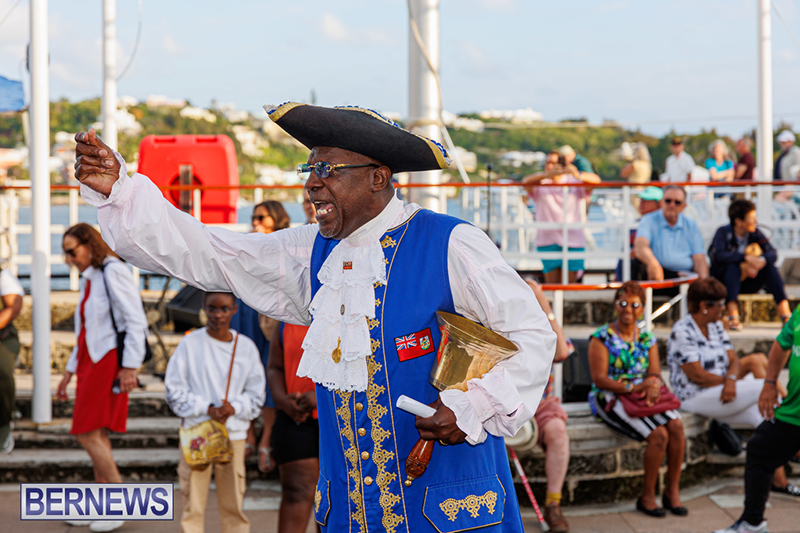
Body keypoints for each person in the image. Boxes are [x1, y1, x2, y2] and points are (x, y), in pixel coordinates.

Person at [73, 102, 557, 533]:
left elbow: (533, 335)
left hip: (446, 509)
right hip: (350, 512)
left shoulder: (451, 242)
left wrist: (473, 405)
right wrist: (122, 193)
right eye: (310, 167)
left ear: (378, 178)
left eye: (328, 169)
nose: (311, 183)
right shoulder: (312, 251)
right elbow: (212, 252)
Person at [56, 223, 149, 533]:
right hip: (89, 361)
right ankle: (101, 504)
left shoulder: (112, 271)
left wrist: (130, 367)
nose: (69, 259)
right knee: (96, 434)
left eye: (72, 251)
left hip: (106, 361)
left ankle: (119, 502)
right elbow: (84, 331)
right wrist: (69, 372)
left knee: (87, 433)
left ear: (89, 245)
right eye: (66, 253)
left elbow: (135, 321)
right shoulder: (92, 277)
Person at [667, 278, 797, 497]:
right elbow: (697, 375)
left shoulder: (715, 325)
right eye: (719, 304)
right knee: (763, 387)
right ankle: (793, 418)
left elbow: (734, 359)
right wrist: (729, 381)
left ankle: (780, 482)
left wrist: (731, 379)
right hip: (694, 396)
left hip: (722, 389)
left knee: (765, 418)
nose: (724, 308)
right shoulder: (682, 330)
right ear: (703, 306)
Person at [165, 291, 266, 533]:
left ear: (234, 310)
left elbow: (257, 393)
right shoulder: (190, 343)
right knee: (193, 501)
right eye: (212, 309)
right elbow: (173, 390)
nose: (217, 315)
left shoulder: (246, 347)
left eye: (223, 309)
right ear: (203, 308)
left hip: (233, 434)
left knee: (234, 502)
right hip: (196, 432)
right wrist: (206, 408)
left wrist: (235, 407)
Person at [588, 281, 686, 518]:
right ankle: (647, 496)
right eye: (623, 304)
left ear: (642, 308)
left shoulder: (647, 339)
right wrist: (634, 386)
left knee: (676, 426)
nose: (628, 310)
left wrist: (652, 386)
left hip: (641, 394)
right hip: (610, 396)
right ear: (615, 306)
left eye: (634, 305)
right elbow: (600, 379)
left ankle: (672, 491)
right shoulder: (601, 337)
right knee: (659, 435)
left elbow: (654, 373)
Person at [713, 307, 800, 533]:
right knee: (761, 448)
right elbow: (781, 344)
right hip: (794, 410)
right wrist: (769, 383)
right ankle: (753, 523)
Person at [231, 199, 290, 473]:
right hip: (245, 311)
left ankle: (265, 437)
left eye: (262, 217)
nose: (256, 222)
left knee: (269, 371)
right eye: (254, 217)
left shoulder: (286, 243)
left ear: (276, 219)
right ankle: (249, 434)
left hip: (270, 315)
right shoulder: (248, 242)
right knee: (243, 368)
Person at [525, 279, 571, 533]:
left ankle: (553, 503)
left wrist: (543, 302)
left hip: (541, 404)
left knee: (558, 433)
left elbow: (562, 352)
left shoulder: (544, 325)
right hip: (505, 401)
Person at [267, 320, 319, 533]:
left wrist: (320, 397)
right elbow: (275, 367)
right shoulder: (285, 322)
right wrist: (282, 400)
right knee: (296, 492)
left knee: (334, 498)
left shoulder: (349, 316)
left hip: (337, 422)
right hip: (295, 418)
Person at [709, 199, 790, 331]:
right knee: (733, 267)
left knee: (770, 268)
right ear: (738, 221)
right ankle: (733, 315)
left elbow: (772, 253)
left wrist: (761, 261)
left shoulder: (755, 233)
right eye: (752, 218)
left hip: (750, 280)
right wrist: (745, 258)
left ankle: (785, 314)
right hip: (726, 283)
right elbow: (720, 256)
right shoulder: (723, 233)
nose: (755, 221)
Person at [522, 151, 601, 283]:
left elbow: (596, 181)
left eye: (554, 163)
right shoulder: (541, 183)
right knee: (552, 286)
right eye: (547, 162)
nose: (550, 166)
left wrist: (577, 173)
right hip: (547, 239)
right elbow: (525, 182)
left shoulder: (574, 181)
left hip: (573, 239)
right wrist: (546, 175)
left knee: (570, 286)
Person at [633, 185, 709, 282]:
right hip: (659, 274)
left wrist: (704, 284)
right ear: (661, 202)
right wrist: (653, 263)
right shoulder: (648, 220)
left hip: (685, 276)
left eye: (677, 202)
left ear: (684, 206)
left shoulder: (691, 225)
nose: (672, 205)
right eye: (668, 201)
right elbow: (640, 247)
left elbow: (699, 258)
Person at [615, 186, 663, 281]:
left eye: (646, 201)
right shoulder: (634, 225)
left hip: (643, 273)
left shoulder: (661, 225)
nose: (641, 204)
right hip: (628, 274)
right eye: (641, 200)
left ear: (659, 204)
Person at [0, 267, 24, 454]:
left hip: (3, 337)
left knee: (2, 370)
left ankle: (4, 423)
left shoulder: (3, 276)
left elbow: (14, 308)